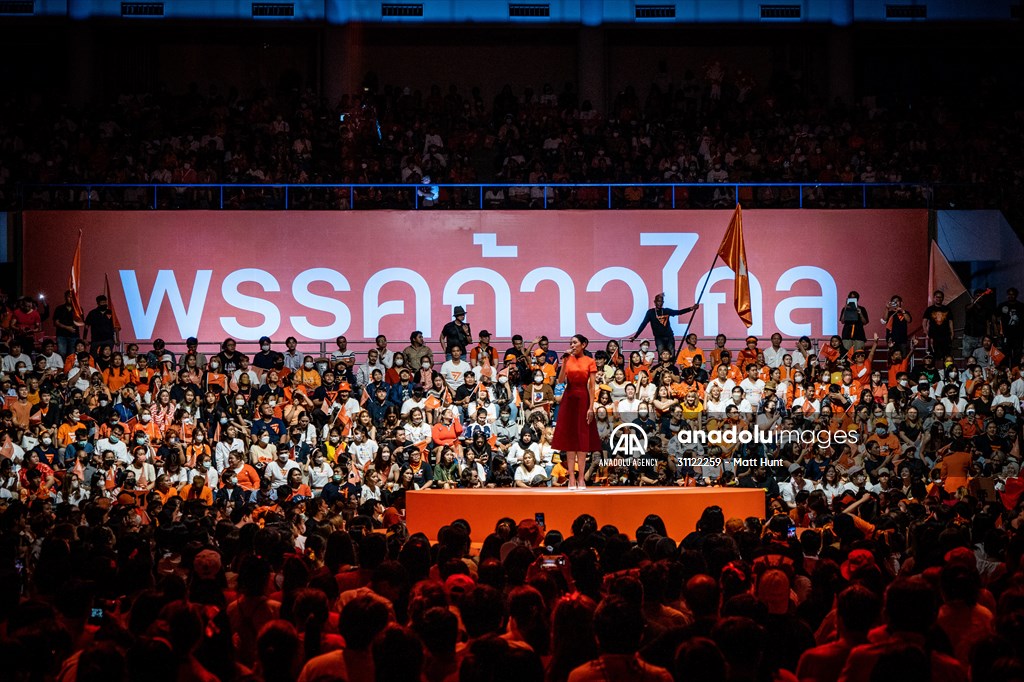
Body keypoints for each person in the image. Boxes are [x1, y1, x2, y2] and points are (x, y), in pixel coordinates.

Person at [551, 335, 603, 490]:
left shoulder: (589, 361)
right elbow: (560, 381)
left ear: (583, 344)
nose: (572, 345)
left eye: (575, 343)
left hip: (583, 399)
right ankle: (571, 479)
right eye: (571, 343)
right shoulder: (568, 359)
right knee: (570, 439)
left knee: (582, 439)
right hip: (569, 399)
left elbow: (592, 386)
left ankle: (581, 478)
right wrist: (564, 361)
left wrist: (591, 407)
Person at [628, 293, 700, 356]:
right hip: (659, 338)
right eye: (658, 301)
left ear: (663, 302)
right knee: (661, 354)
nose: (660, 303)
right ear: (655, 302)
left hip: (669, 336)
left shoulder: (666, 311)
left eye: (661, 301)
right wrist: (635, 336)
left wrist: (691, 308)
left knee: (671, 354)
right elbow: (643, 324)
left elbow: (679, 312)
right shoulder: (650, 312)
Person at [923, 290, 954, 361]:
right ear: (934, 298)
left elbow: (950, 322)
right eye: (937, 297)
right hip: (933, 336)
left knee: (946, 355)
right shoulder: (929, 309)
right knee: (933, 355)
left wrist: (952, 333)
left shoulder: (947, 309)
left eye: (940, 297)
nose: (938, 298)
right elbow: (924, 321)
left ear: (943, 298)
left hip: (945, 336)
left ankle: (946, 371)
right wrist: (926, 332)